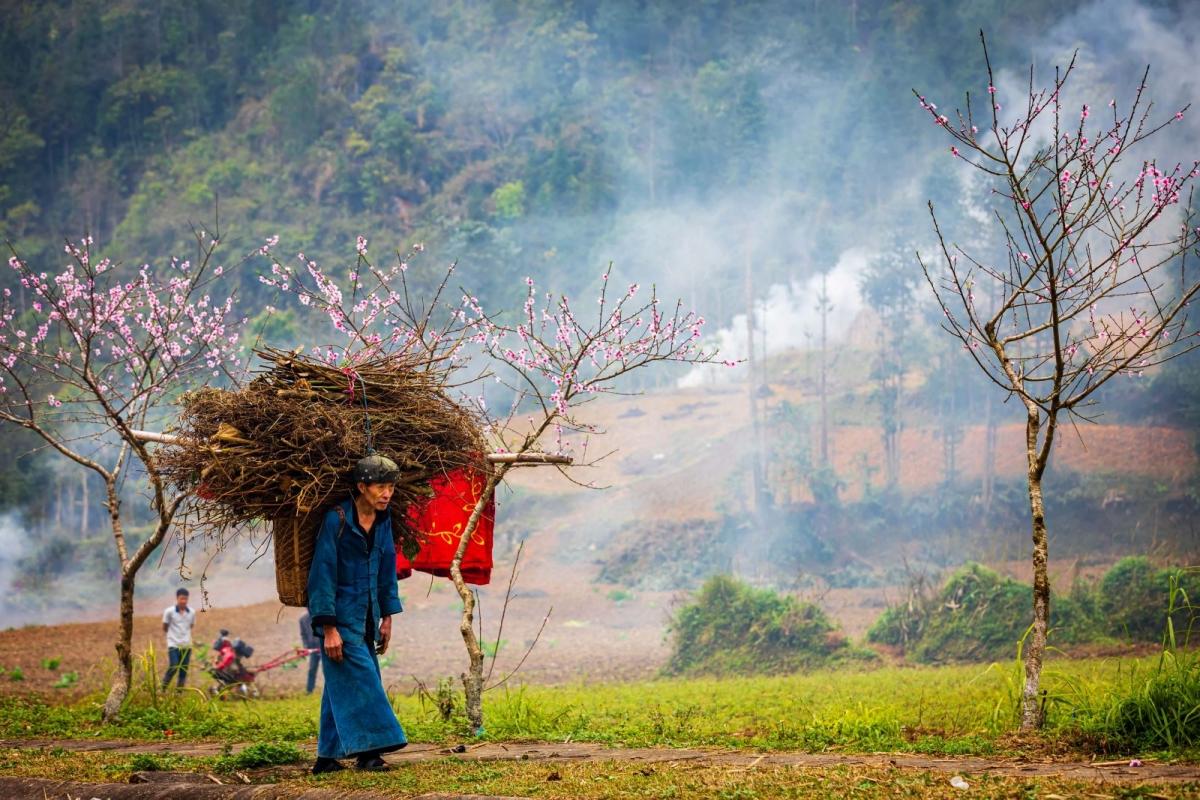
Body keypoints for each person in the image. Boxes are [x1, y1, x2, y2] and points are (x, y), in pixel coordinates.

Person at [307, 454, 407, 774]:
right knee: (365, 681)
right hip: (340, 618)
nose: (387, 493)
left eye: (390, 487)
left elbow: (387, 565)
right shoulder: (336, 520)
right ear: (362, 487)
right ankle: (371, 753)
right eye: (380, 487)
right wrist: (328, 628)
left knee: (343, 684)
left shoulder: (384, 519)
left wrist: (387, 616)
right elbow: (322, 574)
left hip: (367, 616)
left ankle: (326, 759)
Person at [161, 588, 196, 689]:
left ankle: (179, 693)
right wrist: (174, 635)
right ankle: (162, 688)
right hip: (173, 644)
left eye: (185, 599)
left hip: (186, 645)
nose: (183, 601)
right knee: (174, 666)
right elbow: (165, 627)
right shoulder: (169, 612)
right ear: (177, 598)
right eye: (181, 599)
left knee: (183, 670)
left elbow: (191, 625)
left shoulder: (191, 612)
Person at [298, 610, 322, 694]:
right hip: (312, 649)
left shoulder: (321, 615)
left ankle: (329, 689)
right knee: (312, 669)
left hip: (323, 647)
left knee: (327, 669)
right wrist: (306, 647)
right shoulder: (302, 619)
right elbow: (303, 634)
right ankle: (309, 690)